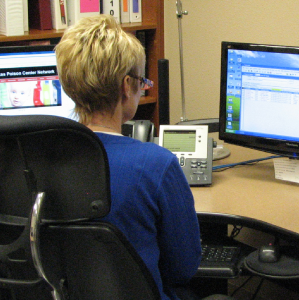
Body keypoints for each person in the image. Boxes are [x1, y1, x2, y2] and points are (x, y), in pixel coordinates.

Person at [55, 15, 232, 300]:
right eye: (141, 81)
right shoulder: (156, 164)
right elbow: (184, 267)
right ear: (127, 86)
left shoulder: (44, 156)